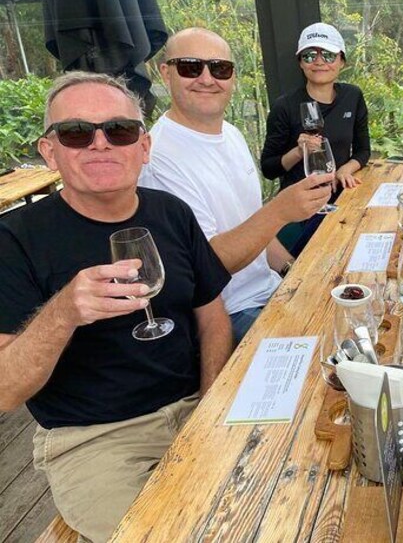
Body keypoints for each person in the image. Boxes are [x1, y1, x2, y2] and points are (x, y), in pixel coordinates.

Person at [0, 72, 233, 542]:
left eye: (119, 130)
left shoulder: (170, 212)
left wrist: (211, 403)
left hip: (196, 404)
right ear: (50, 151)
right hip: (95, 439)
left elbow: (211, 316)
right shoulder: (14, 239)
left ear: (143, 146)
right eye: (76, 132)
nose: (100, 143)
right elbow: (5, 391)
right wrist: (64, 311)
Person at [139, 28, 334, 344]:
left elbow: (252, 227)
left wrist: (294, 270)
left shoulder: (231, 134)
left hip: (270, 291)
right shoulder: (159, 158)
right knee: (329, 354)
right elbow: (206, 266)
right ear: (165, 73)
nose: (207, 79)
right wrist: (280, 211)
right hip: (229, 314)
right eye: (190, 67)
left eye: (220, 68)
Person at [260, 22, 371, 256]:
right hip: (300, 209)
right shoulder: (285, 106)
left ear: (341, 61)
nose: (319, 62)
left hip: (341, 199)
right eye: (310, 55)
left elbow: (363, 150)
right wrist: (298, 151)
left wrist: (345, 169)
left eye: (328, 55)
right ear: (301, 63)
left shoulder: (352, 96)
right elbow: (269, 168)